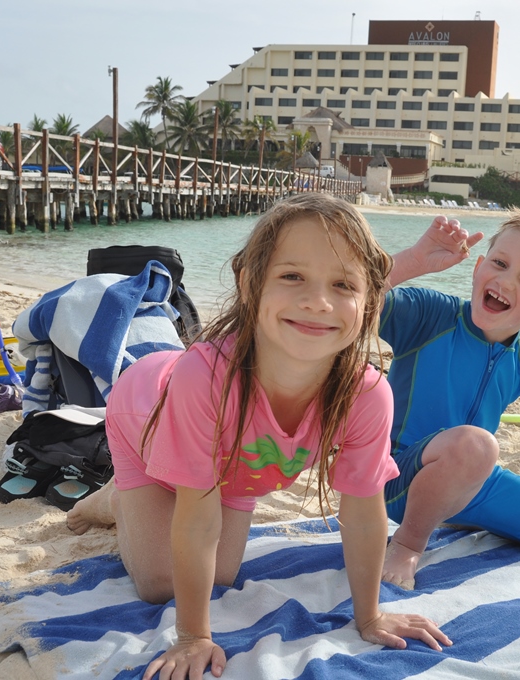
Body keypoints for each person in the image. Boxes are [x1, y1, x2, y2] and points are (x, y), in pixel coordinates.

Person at [67, 193, 451, 680]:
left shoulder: (367, 394)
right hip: (144, 413)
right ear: (251, 284)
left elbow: (362, 512)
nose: (318, 301)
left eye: (343, 284)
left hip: (236, 469)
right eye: (292, 277)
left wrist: (370, 615)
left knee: (221, 578)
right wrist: (193, 637)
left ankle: (134, 499)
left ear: (370, 299)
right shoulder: (206, 379)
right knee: (161, 585)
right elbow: (197, 518)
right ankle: (119, 498)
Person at [379, 210, 520, 590]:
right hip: (395, 479)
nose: (505, 281)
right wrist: (415, 260)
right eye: (500, 263)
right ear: (478, 267)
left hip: (471, 481)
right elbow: (356, 295)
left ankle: (452, 511)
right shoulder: (429, 316)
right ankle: (407, 544)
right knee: (477, 444)